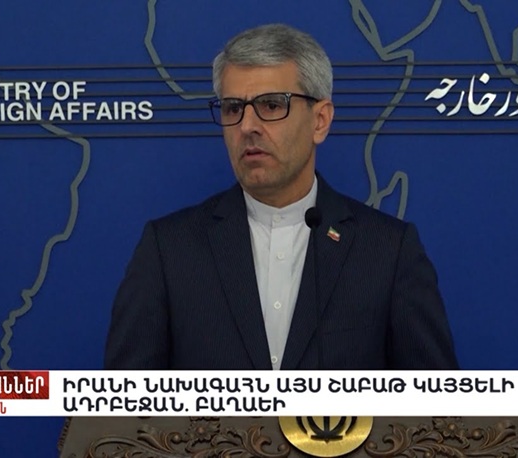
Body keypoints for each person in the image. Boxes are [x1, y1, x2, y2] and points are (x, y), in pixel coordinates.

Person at [104, 23, 458, 370]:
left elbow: (434, 402)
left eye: (272, 105)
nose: (247, 126)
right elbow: (125, 402)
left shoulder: (388, 251)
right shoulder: (169, 250)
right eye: (233, 108)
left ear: (320, 121)